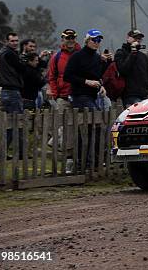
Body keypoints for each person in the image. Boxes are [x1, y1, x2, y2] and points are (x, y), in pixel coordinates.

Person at [63, 29, 112, 170]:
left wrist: (101, 86)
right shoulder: (77, 56)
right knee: (93, 124)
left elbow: (97, 77)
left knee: (92, 128)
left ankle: (90, 162)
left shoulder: (97, 58)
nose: (96, 43)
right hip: (79, 95)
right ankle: (82, 161)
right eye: (94, 40)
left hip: (93, 95)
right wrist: (86, 82)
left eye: (99, 40)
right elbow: (67, 76)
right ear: (87, 40)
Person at [47, 28, 81, 172]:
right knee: (62, 127)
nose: (70, 40)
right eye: (68, 38)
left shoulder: (81, 54)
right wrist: (55, 93)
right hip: (63, 97)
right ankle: (68, 158)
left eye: (72, 37)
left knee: (74, 130)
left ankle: (71, 160)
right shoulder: (57, 56)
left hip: (79, 96)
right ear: (63, 39)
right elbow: (52, 76)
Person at [0, 32, 26, 159]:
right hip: (12, 91)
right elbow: (22, 68)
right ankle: (21, 153)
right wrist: (25, 60)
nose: (15, 43)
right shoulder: (9, 54)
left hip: (6, 92)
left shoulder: (4, 54)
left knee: (9, 125)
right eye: (12, 41)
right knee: (18, 123)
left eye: (16, 41)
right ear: (6, 41)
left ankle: (1, 153)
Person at [114, 29, 148, 107]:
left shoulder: (143, 56)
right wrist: (133, 53)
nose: (137, 40)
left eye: (139, 39)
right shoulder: (121, 53)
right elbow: (123, 70)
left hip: (144, 95)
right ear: (128, 38)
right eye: (135, 38)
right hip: (130, 95)